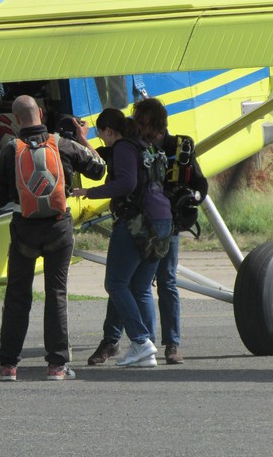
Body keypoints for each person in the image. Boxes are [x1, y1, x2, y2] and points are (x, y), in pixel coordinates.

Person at [0, 95, 106, 381]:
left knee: (17, 295)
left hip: (24, 230)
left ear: (16, 120)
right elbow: (99, 169)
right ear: (41, 113)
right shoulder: (62, 145)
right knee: (56, 294)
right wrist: (83, 138)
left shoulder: (8, 151)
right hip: (58, 227)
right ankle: (57, 366)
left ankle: (7, 366)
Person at [86, 104, 208, 366]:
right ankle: (128, 341)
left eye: (139, 121)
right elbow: (110, 152)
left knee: (157, 281)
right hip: (158, 220)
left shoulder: (178, 147)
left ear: (149, 125)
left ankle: (167, 344)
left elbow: (200, 184)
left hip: (160, 224)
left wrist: (191, 200)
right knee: (135, 284)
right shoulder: (138, 144)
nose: (134, 125)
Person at [72, 100, 172, 368]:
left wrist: (88, 193)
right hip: (163, 219)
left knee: (115, 284)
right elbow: (110, 160)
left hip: (137, 222)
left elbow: (125, 182)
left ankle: (140, 341)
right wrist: (83, 140)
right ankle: (147, 349)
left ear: (108, 131)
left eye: (98, 133)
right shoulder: (141, 145)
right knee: (140, 287)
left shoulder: (126, 147)